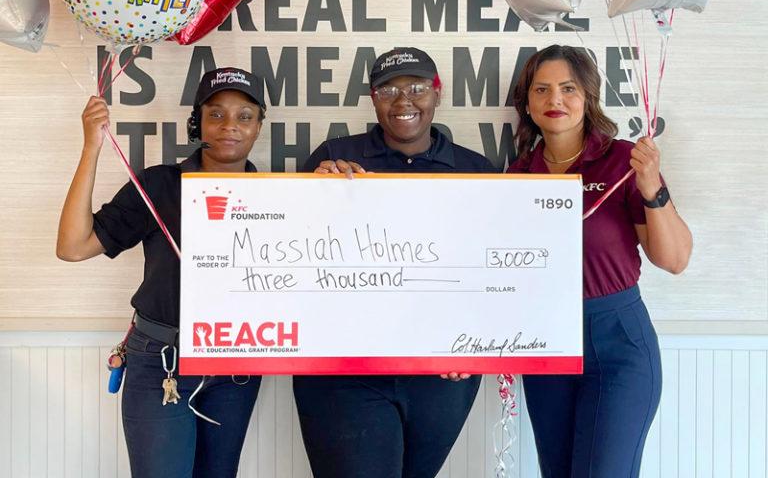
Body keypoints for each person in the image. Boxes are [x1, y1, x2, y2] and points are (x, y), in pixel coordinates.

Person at [293, 47, 497, 478]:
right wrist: (315, 197)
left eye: (418, 88)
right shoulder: (333, 157)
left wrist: (477, 341)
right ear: (373, 98)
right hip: (343, 373)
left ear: (437, 93)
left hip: (440, 377)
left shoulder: (475, 170)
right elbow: (291, 257)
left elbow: (492, 275)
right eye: (389, 90)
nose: (404, 101)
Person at [56, 67, 267, 478]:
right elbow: (72, 246)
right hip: (161, 364)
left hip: (236, 368)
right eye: (216, 114)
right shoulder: (159, 184)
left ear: (259, 126)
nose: (230, 126)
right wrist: (91, 147)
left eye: (245, 116)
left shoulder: (279, 195)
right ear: (198, 122)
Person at [508, 45, 692, 478]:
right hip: (546, 343)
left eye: (568, 88)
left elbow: (676, 260)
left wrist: (652, 188)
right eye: (542, 90)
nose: (555, 100)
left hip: (618, 342)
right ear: (529, 103)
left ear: (588, 97)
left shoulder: (624, 163)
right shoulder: (517, 177)